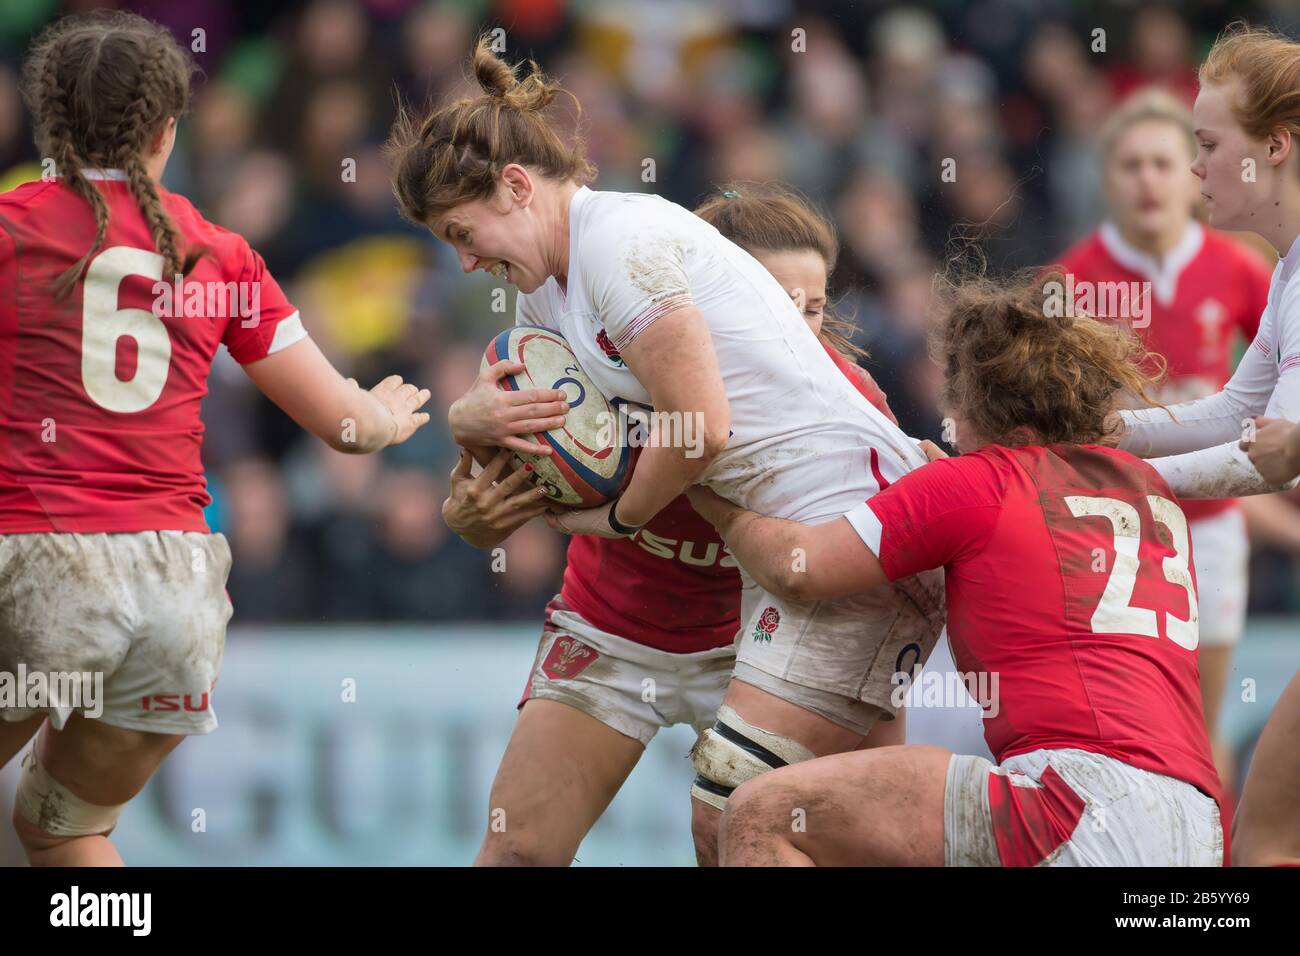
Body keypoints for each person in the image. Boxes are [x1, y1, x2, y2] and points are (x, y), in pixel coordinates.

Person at [386, 37, 945, 867]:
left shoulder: (620, 242)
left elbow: (699, 429)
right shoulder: (549, 287)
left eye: (462, 233)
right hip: (633, 620)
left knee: (744, 827)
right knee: (524, 851)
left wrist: (614, 516)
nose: (465, 260)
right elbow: (550, 449)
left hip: (821, 562)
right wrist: (472, 479)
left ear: (515, 186)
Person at [0, 11, 431, 866]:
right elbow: (344, 425)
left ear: (47, 121)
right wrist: (383, 411)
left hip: (39, 565)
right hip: (175, 595)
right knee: (64, 831)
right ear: (167, 129)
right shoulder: (222, 254)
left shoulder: (12, 227)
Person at [687, 272, 1224, 866]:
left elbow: (802, 567)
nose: (950, 426)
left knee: (761, 814)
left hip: (1073, 802)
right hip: (1196, 822)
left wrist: (713, 503)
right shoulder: (1147, 489)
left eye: (955, 404)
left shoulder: (977, 484)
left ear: (983, 406)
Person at [438, 180, 903, 865]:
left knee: (764, 847)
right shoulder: (595, 365)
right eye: (773, 302)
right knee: (517, 852)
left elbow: (880, 576)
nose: (793, 331)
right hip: (614, 633)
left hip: (761, 653)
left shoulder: (853, 405)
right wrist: (470, 513)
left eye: (813, 309)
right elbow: (487, 502)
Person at [1053, 88, 1275, 785]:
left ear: (1193, 174)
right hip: (1109, 524)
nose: (1147, 179)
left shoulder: (1241, 268)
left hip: (1210, 524)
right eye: (1130, 165)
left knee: (1208, 720)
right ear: (1105, 178)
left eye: (1163, 162)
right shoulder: (1070, 281)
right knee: (1129, 717)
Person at [1113, 25, 1300, 501]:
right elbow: (1237, 410)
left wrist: (1114, 483)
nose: (1194, 166)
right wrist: (1104, 429)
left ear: (1275, 148)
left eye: (1210, 145)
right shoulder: (1288, 267)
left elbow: (1265, 460)